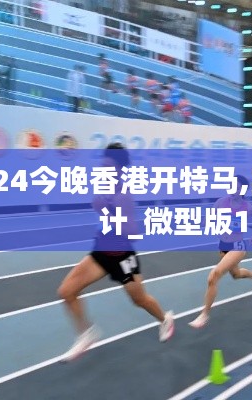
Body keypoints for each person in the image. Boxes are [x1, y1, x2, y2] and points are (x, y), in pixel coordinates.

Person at [58, 143, 174, 362]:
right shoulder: (104, 188)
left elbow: (132, 233)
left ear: (120, 170)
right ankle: (86, 334)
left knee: (139, 300)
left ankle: (165, 319)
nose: (104, 170)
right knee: (66, 291)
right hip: (101, 252)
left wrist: (108, 212)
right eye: (103, 166)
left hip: (123, 257)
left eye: (109, 167)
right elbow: (99, 208)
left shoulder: (123, 196)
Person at [189, 175, 252, 328]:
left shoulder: (248, 207)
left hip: (238, 247)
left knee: (213, 276)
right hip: (223, 245)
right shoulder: (220, 202)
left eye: (237, 186)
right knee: (236, 275)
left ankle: (204, 315)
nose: (233, 188)